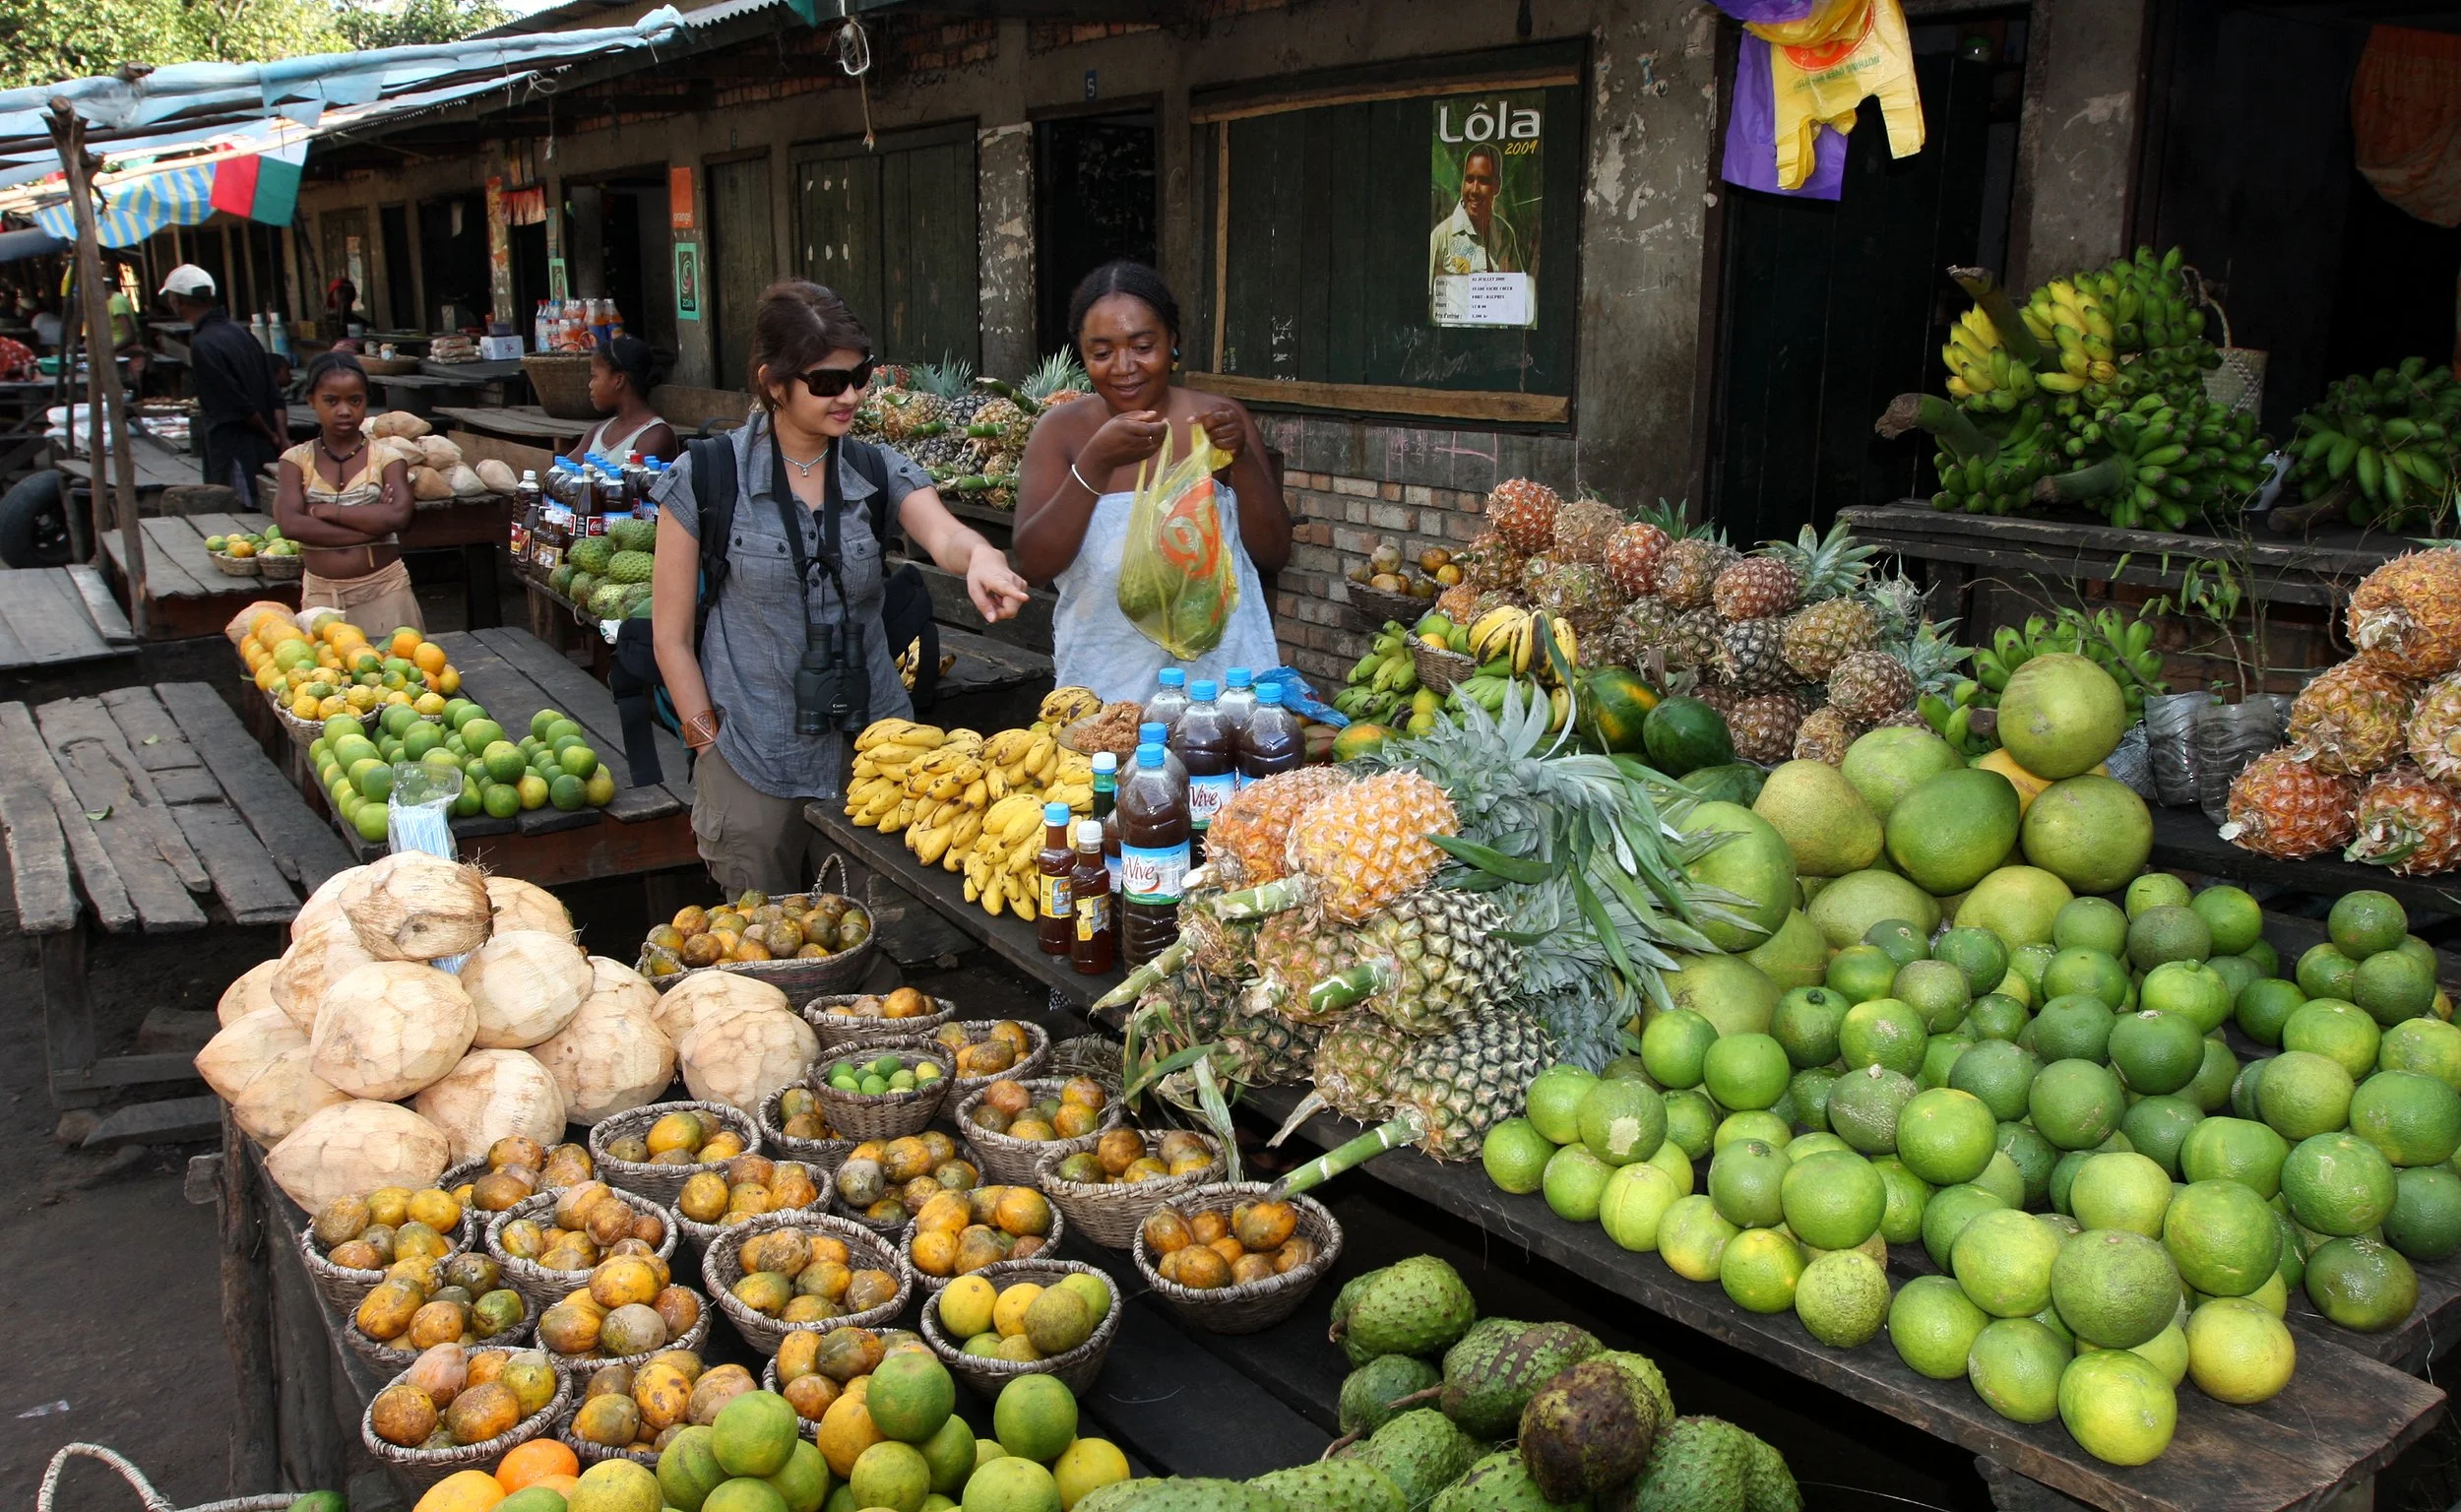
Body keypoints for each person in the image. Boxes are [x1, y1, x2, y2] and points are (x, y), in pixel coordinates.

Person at [650, 281, 1030, 896]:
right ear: (774, 382)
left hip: (878, 755)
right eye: (827, 382)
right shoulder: (708, 476)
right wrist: (707, 747)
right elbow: (669, 637)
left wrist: (983, 557)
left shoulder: (874, 468)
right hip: (753, 754)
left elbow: (944, 535)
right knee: (766, 945)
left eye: (860, 376)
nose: (850, 395)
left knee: (880, 937)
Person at [1013, 261, 1289, 700]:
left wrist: (1242, 462)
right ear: (1082, 354)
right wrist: (1095, 463)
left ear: (1173, 341)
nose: (1124, 367)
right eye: (1101, 353)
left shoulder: (1217, 419)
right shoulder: (1060, 432)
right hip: (1104, 683)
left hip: (1220, 687)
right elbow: (1031, 565)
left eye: (1143, 346)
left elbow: (1273, 554)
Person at [273, 352, 422, 633]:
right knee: (327, 675)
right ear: (310, 401)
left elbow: (399, 516)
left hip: (384, 590)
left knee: (400, 669)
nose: (344, 410)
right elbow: (290, 524)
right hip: (321, 597)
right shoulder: (295, 460)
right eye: (331, 401)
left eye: (355, 400)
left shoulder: (388, 458)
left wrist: (325, 511)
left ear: (366, 400)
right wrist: (371, 527)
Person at [160, 264, 284, 496]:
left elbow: (236, 403)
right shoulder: (240, 332)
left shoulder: (203, 344)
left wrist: (272, 434)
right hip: (261, 444)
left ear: (177, 301)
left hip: (234, 447)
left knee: (238, 509)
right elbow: (273, 391)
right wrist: (279, 437)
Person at [567, 335, 678, 463]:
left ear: (618, 380)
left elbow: (632, 481)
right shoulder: (598, 432)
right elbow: (561, 473)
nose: (590, 385)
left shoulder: (655, 436)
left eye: (594, 376)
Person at [1428, 144, 1528, 284]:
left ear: (1497, 185)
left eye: (1483, 181)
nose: (1474, 190)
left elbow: (1517, 293)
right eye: (1469, 179)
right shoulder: (1441, 237)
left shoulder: (1504, 233)